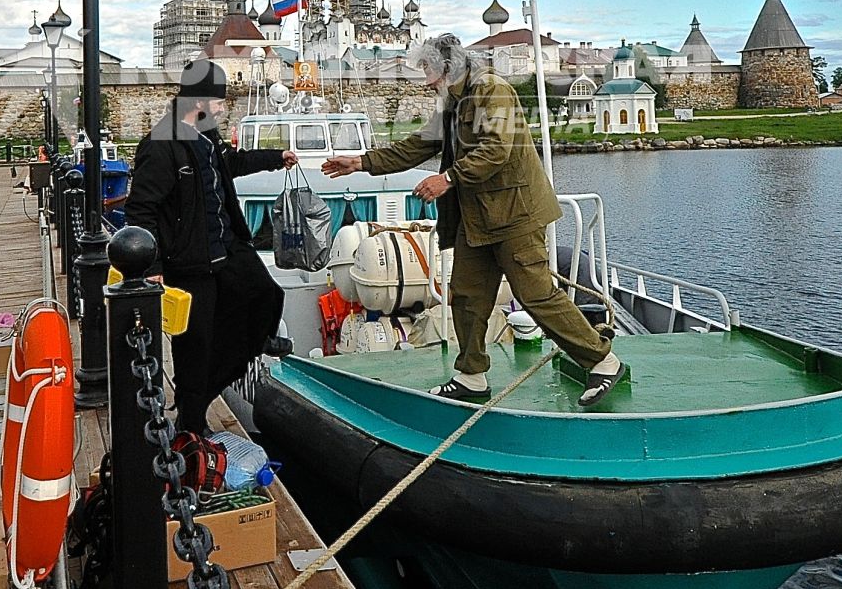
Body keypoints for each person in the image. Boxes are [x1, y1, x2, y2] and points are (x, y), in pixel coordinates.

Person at [322, 33, 629, 409]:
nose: (427, 80)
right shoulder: (452, 101)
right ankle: (471, 375)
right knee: (466, 295)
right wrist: (361, 162)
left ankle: (602, 360)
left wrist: (446, 178)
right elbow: (418, 145)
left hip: (514, 213)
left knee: (535, 294)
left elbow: (497, 148)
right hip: (479, 218)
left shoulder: (491, 91)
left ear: (449, 66)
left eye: (430, 71)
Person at [126, 60, 298, 435]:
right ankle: (192, 420)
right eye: (219, 101)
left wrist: (274, 158)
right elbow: (141, 208)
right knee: (195, 348)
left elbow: (229, 164)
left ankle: (255, 344)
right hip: (188, 264)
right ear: (199, 99)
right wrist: (152, 263)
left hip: (225, 249)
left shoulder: (206, 134)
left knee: (265, 293)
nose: (223, 107)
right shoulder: (161, 144)